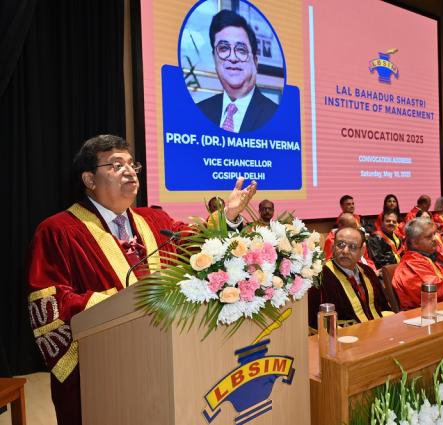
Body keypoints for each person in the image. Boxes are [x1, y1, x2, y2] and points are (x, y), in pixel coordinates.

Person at [26, 135, 257, 425]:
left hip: (166, 360)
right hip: (104, 371)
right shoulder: (58, 231)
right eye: (116, 165)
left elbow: (195, 246)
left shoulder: (155, 220)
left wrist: (228, 215)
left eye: (131, 164)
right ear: (89, 179)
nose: (129, 171)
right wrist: (130, 303)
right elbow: (51, 306)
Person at [196, 10, 278, 133]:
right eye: (224, 48)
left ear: (255, 62)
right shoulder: (199, 112)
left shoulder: (275, 116)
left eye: (241, 50)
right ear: (214, 59)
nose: (233, 58)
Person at [308, 227, 389, 329]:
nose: (345, 251)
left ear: (362, 251)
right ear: (333, 247)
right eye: (340, 244)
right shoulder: (321, 276)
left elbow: (383, 306)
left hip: (376, 330)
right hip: (344, 335)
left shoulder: (368, 272)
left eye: (353, 247)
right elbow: (316, 321)